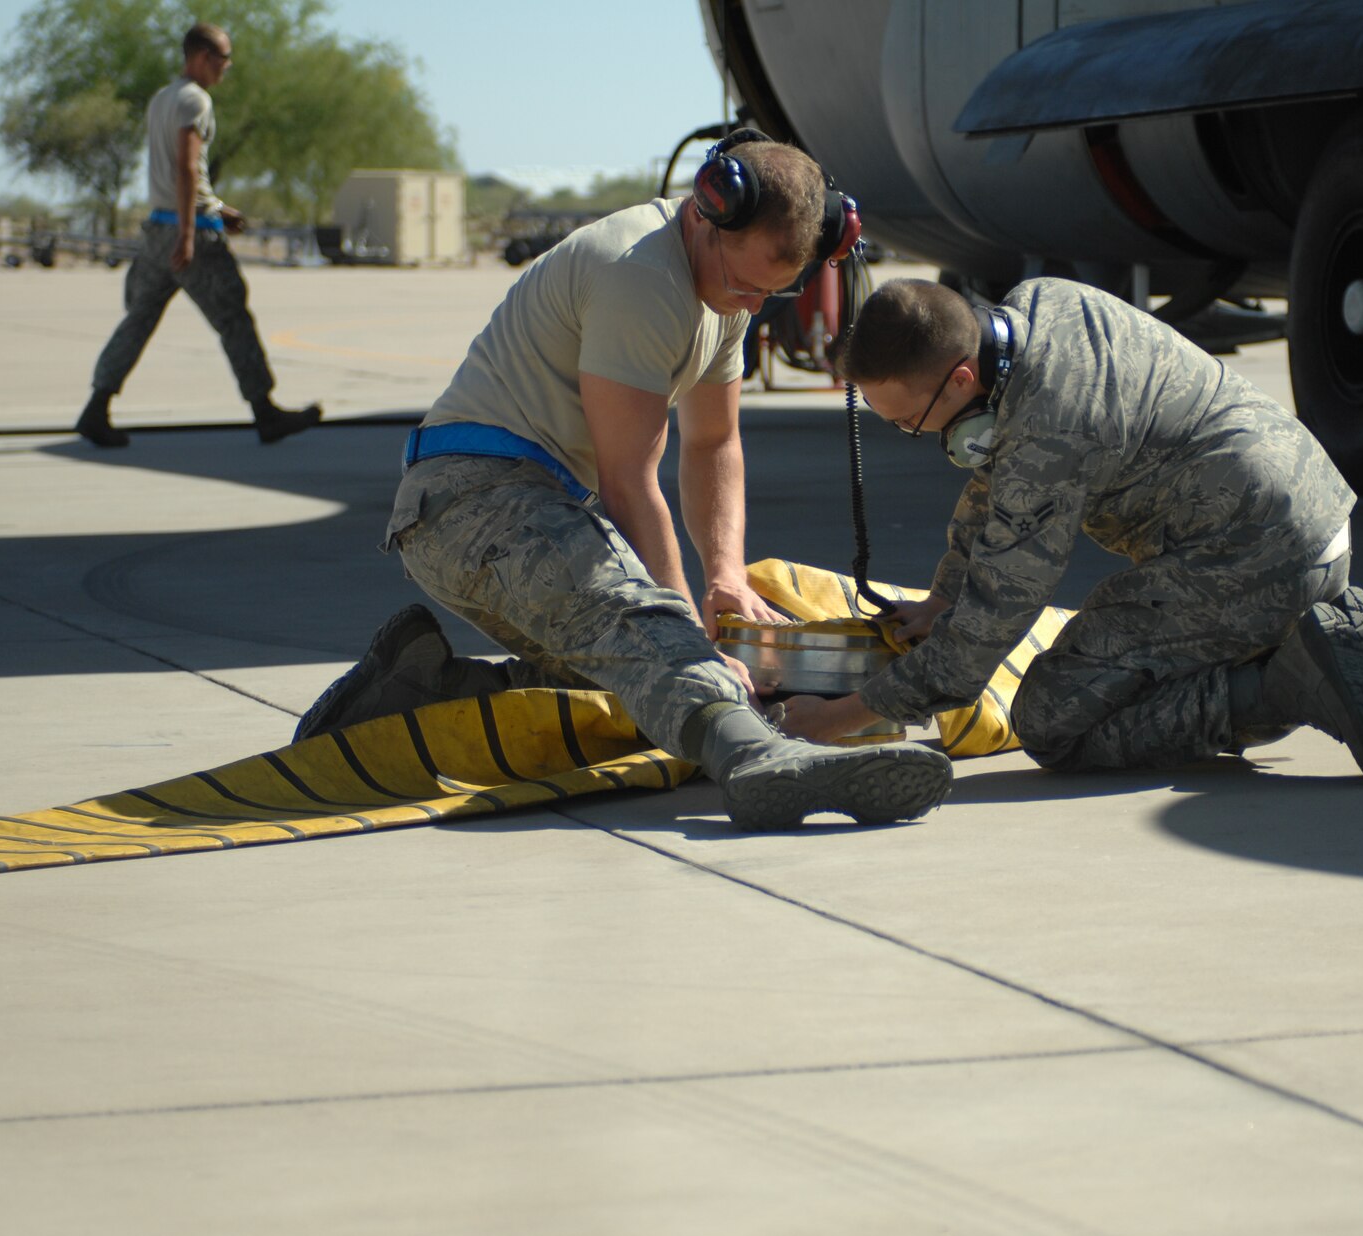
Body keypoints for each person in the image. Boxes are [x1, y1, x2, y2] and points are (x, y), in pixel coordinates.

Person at [292, 133, 951, 831]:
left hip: (525, 503)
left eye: (772, 291)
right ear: (706, 212)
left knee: (638, 686)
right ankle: (761, 762)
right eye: (744, 285)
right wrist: (692, 642)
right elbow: (630, 482)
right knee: (650, 637)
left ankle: (413, 690)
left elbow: (713, 440)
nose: (752, 307)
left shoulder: (723, 292)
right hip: (471, 497)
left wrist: (724, 575)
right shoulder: (639, 273)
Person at [778, 276, 1363, 784]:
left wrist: (835, 719)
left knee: (1053, 719)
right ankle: (1291, 649)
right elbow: (992, 475)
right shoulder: (1038, 307)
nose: (916, 438)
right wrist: (944, 595)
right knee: (1133, 661)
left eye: (910, 423)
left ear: (961, 380)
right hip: (1311, 515)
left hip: (1254, 557)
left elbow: (976, 646)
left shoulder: (1049, 435)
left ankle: (1284, 686)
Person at [76, 23, 320, 449]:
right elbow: (187, 167)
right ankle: (265, 412)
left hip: (157, 229)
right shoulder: (195, 100)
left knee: (139, 320)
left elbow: (180, 177)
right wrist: (190, 233)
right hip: (191, 238)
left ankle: (96, 408)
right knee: (234, 318)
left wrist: (218, 209)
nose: (227, 67)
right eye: (223, 58)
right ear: (202, 57)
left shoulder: (162, 98)